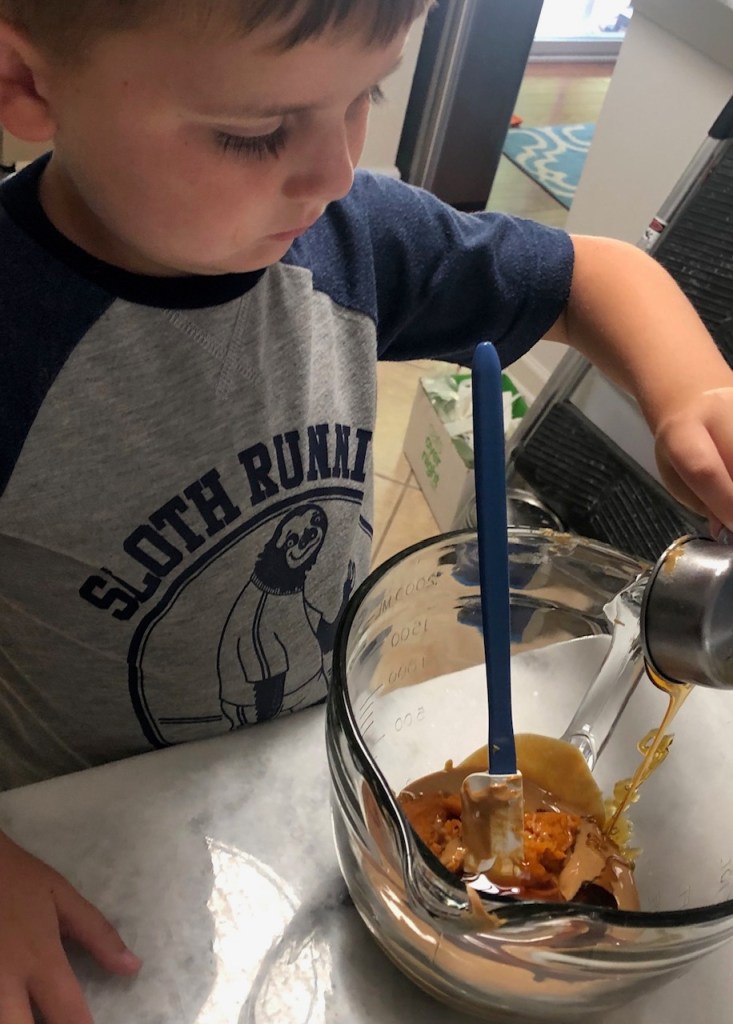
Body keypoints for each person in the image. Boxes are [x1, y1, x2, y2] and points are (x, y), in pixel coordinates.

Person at [0, 1, 732, 1021]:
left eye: (366, 95)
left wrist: (698, 395)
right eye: (256, 132)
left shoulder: (350, 238)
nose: (337, 170)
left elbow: (594, 275)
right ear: (26, 84)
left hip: (303, 765)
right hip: (84, 822)